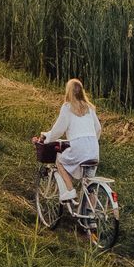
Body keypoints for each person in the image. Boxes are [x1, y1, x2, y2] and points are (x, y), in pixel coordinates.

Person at [38, 78, 101, 206]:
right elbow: (98, 129)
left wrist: (47, 137)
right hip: (94, 148)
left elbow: (58, 130)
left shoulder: (67, 107)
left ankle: (70, 190)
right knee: (90, 183)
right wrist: (90, 142)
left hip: (79, 147)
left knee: (60, 160)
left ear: (69, 92)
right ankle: (91, 218)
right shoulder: (89, 108)